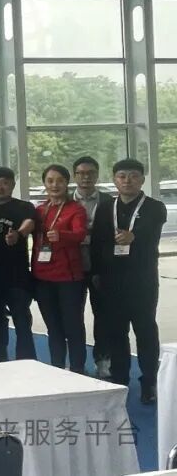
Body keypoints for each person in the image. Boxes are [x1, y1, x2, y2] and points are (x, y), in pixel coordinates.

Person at [91, 159, 167, 404]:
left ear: (142, 179)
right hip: (112, 281)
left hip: (142, 280)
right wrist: (96, 273)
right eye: (122, 176)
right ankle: (120, 378)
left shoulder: (155, 207)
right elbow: (97, 242)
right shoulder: (105, 208)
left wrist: (134, 235)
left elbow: (150, 228)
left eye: (133, 176)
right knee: (116, 332)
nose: (127, 181)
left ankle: (150, 381)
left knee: (145, 331)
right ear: (114, 179)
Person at [32, 165, 89, 374]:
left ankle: (78, 369)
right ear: (44, 183)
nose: (54, 185)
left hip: (68, 278)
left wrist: (62, 235)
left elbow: (80, 234)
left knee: (73, 326)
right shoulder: (39, 210)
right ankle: (57, 368)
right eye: (50, 181)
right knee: (53, 327)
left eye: (59, 180)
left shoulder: (76, 209)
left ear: (67, 183)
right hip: (42, 277)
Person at [0, 167, 37, 361]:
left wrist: (19, 234)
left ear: (13, 184)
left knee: (22, 322)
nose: (0, 187)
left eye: (5, 183)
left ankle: (27, 363)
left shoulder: (24, 206)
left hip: (17, 276)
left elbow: (30, 222)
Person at [72, 156, 115, 379]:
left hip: (100, 267)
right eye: (81, 173)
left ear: (97, 175)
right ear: (74, 176)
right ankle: (77, 363)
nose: (86, 177)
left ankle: (103, 361)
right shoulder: (65, 201)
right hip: (72, 267)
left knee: (103, 316)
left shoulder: (110, 202)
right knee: (73, 316)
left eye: (90, 173)